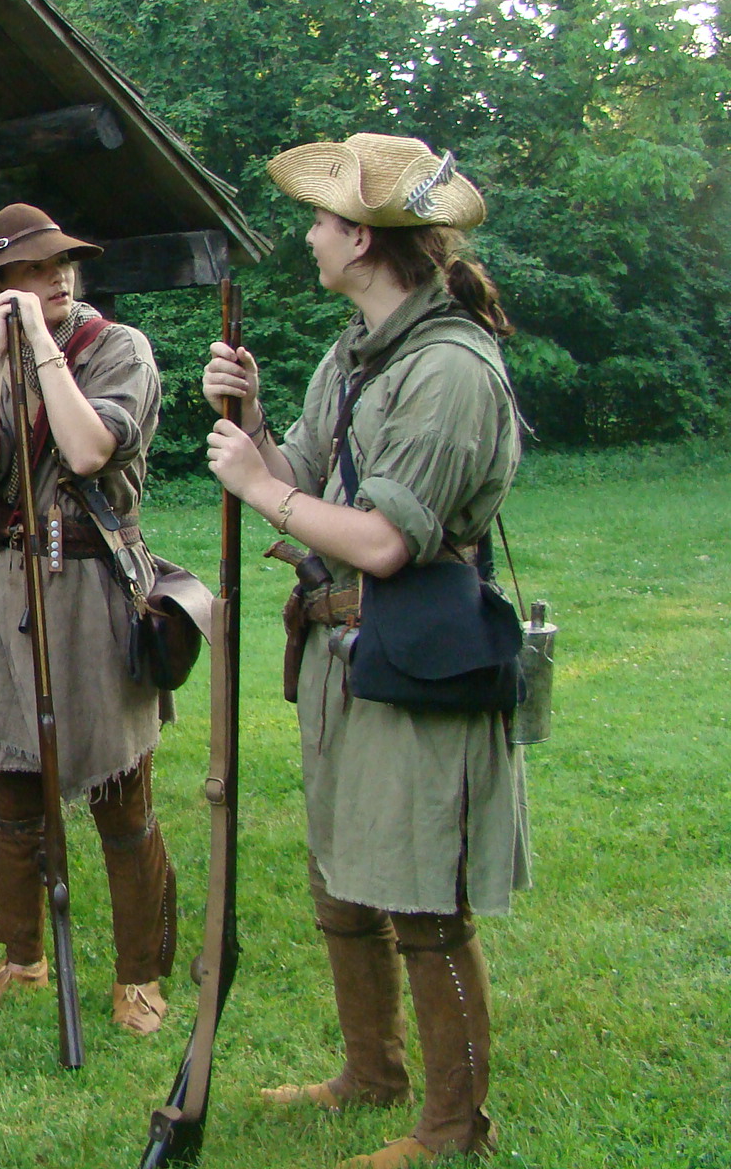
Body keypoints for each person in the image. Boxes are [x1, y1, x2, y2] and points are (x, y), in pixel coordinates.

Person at [202, 133, 524, 1168]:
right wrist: (251, 422)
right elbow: (307, 475)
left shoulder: (449, 372)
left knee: (423, 898)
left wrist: (261, 489)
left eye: (318, 220)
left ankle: (450, 1128)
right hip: (342, 656)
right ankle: (369, 1073)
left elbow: (384, 538)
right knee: (346, 880)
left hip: (417, 659)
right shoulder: (358, 351)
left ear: (359, 239)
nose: (305, 234)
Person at [0, 203, 179, 1036]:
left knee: (118, 784)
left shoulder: (120, 350)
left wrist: (43, 346)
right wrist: (4, 355)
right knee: (13, 782)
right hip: (11, 581)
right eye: (35, 269)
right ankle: (22, 956)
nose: (59, 276)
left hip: (94, 582)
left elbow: (86, 451)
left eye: (63, 263)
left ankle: (139, 974)